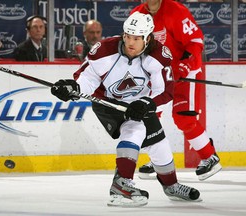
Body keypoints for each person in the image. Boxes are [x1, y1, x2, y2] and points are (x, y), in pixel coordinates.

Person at [51, 12, 201, 207]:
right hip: (108, 102)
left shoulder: (158, 56)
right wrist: (75, 88)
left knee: (158, 142)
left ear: (148, 38)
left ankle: (171, 185)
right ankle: (121, 184)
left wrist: (147, 103)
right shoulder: (104, 50)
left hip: (140, 103)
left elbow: (164, 92)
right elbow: (88, 78)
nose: (130, 42)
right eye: (128, 36)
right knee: (135, 128)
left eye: (137, 38)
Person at [131, 0, 222, 181]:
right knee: (149, 114)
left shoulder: (175, 11)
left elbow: (195, 41)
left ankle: (209, 156)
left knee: (183, 117)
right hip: (157, 73)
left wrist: (184, 64)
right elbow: (132, 45)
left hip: (184, 71)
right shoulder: (137, 15)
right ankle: (158, 159)